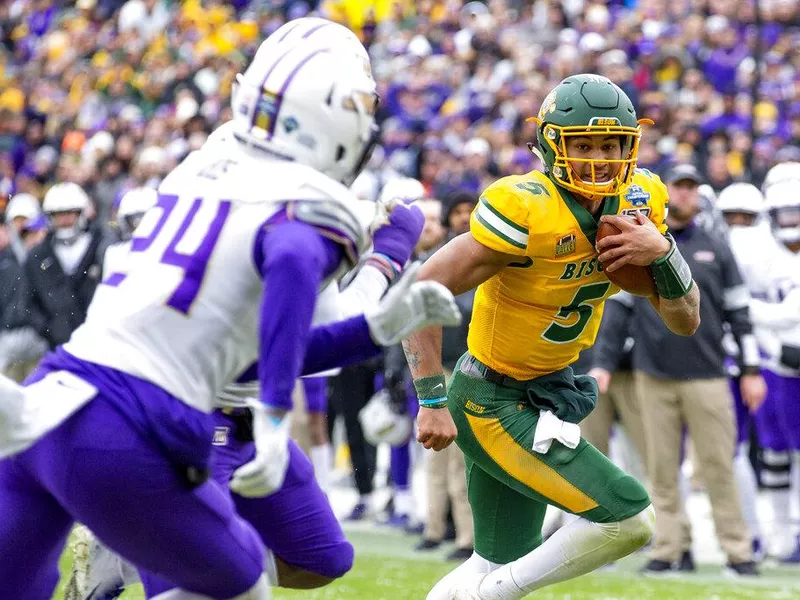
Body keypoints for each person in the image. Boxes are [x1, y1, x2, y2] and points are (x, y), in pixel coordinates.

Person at [0, 40, 460, 600]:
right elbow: (297, 308)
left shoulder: (203, 165)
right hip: (150, 416)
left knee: (311, 560)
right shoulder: (310, 200)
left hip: (60, 389)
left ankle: (117, 546)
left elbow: (264, 336)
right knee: (239, 586)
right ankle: (122, 543)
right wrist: (386, 257)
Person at [402, 74, 701, 600]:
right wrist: (430, 397)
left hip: (544, 392)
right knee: (630, 519)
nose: (598, 159)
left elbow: (684, 320)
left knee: (492, 562)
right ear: (548, 144)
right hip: (491, 399)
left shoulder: (639, 204)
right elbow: (422, 288)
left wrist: (664, 254)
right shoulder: (527, 207)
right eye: (582, 144)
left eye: (610, 144)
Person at [614, 165, 763, 576]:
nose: (683, 195)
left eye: (690, 188)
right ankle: (670, 548)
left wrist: (750, 368)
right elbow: (620, 311)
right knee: (660, 470)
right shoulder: (642, 244)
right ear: (665, 195)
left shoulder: (717, 245)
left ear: (698, 196)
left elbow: (739, 309)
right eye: (677, 188)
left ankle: (738, 552)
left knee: (718, 466)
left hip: (708, 373)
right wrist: (607, 362)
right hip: (652, 373)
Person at [748, 173, 800, 562]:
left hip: (787, 364)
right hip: (775, 367)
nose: (790, 221)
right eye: (783, 213)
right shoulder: (759, 255)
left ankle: (794, 532)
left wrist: (764, 317)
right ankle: (781, 536)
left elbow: (785, 314)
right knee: (775, 453)